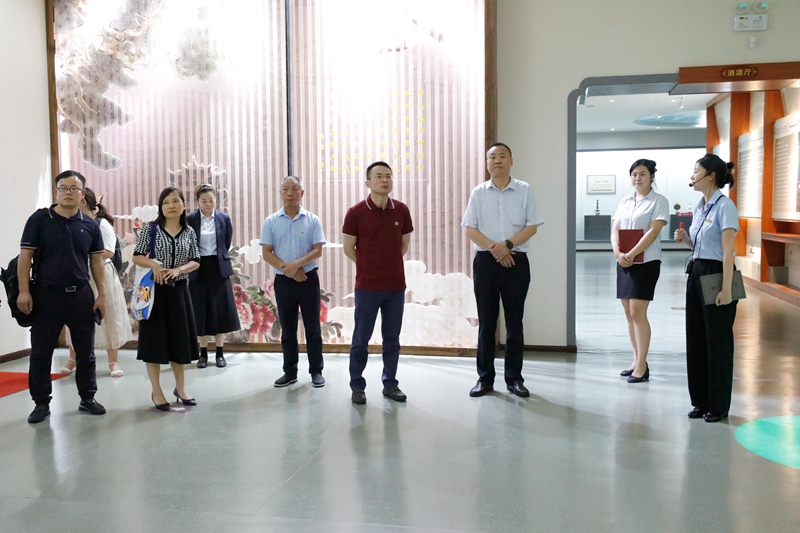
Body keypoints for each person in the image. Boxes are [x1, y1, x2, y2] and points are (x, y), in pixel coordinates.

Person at [18, 170, 107, 423]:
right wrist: (24, 291)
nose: (68, 192)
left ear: (82, 194)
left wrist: (102, 294)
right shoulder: (39, 220)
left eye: (73, 188)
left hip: (81, 295)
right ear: (56, 192)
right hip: (46, 295)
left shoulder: (90, 225)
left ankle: (87, 397)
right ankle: (41, 403)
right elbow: (25, 257)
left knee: (86, 351)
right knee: (41, 352)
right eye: (63, 188)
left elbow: (96, 262)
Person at [462, 142, 543, 398]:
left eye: (502, 156)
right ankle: (484, 379)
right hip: (486, 262)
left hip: (516, 261)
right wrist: (496, 249)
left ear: (511, 161)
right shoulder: (478, 192)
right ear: (487, 163)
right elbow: (470, 228)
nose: (497, 160)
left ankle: (514, 379)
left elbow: (532, 226)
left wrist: (507, 245)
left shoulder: (524, 190)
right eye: (492, 157)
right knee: (486, 322)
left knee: (514, 322)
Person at [674, 154, 739, 423]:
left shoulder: (725, 207)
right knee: (697, 338)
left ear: (710, 176)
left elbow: (727, 252)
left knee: (717, 342)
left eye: (696, 171)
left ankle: (718, 404)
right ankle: (700, 401)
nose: (692, 176)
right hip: (697, 271)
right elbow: (702, 247)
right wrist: (687, 241)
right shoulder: (701, 207)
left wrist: (726, 289)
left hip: (717, 275)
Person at [342, 161, 413, 405]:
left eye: (388, 176)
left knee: (392, 339)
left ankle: (390, 383)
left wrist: (387, 265)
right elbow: (349, 248)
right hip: (367, 287)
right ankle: (357, 386)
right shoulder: (355, 213)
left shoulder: (401, 210)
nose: (384, 180)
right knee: (361, 339)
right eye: (379, 176)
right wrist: (369, 265)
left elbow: (403, 244)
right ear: (368, 182)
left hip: (395, 286)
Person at [132, 187, 201, 411]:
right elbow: (137, 257)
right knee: (154, 343)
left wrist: (179, 270)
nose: (171, 206)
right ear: (161, 207)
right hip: (154, 293)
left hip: (179, 293)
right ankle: (157, 391)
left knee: (179, 342)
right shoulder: (150, 230)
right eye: (165, 202)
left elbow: (196, 260)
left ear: (183, 205)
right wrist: (154, 265)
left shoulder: (189, 232)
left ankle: (181, 388)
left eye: (175, 201)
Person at [260, 176, 327, 388]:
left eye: (295, 189)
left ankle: (316, 371)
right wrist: (287, 269)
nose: (290, 193)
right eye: (286, 189)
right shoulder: (271, 221)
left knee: (312, 327)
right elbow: (267, 252)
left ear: (302, 193)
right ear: (280, 192)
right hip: (283, 281)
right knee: (287, 329)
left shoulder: (312, 220)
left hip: (308, 279)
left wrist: (295, 265)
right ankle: (290, 372)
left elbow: (317, 250)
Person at [62, 188, 133, 378]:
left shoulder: (101, 224)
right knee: (73, 316)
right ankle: (72, 358)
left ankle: (113, 361)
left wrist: (82, 254)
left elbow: (109, 251)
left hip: (102, 274)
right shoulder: (71, 223)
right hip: (78, 273)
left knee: (108, 315)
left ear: (83, 201)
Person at [610, 159, 669, 383]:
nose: (638, 178)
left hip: (646, 262)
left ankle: (642, 364)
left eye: (643, 174)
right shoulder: (625, 201)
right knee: (628, 310)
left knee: (637, 311)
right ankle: (636, 360)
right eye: (634, 174)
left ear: (652, 176)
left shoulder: (659, 201)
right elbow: (615, 229)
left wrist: (633, 253)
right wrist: (618, 253)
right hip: (625, 261)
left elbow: (653, 232)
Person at [187, 184, 240, 369]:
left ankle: (219, 353)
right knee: (200, 311)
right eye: (204, 201)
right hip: (198, 268)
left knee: (220, 311)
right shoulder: (190, 219)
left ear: (216, 200)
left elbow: (226, 241)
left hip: (219, 268)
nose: (208, 204)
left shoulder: (223, 218)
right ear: (198, 202)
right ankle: (202, 354)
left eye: (211, 200)